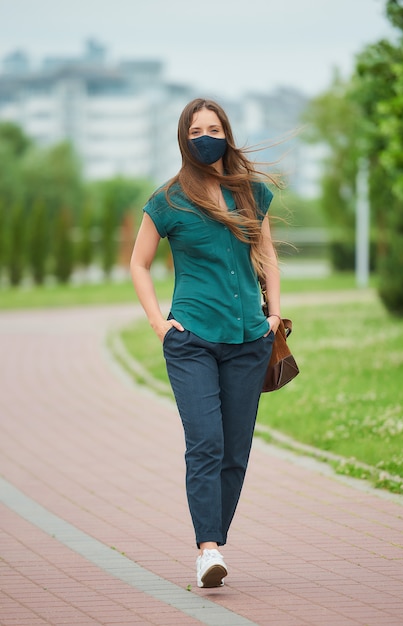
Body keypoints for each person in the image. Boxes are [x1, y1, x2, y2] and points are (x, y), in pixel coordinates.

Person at [130, 98, 281, 588]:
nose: (206, 136)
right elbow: (139, 264)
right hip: (191, 339)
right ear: (184, 138)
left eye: (213, 128)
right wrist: (159, 323)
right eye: (196, 130)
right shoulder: (168, 200)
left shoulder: (251, 194)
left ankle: (215, 538)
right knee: (206, 444)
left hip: (248, 340)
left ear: (227, 133)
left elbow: (268, 255)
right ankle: (208, 551)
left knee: (235, 450)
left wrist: (273, 315)